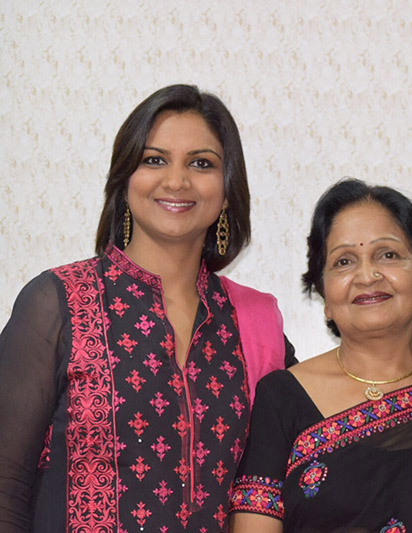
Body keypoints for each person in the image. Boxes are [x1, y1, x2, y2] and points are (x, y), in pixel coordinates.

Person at [0, 84, 296, 532]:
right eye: (154, 160)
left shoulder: (252, 324)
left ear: (226, 190)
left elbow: (308, 462)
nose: (176, 181)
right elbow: (6, 484)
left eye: (201, 163)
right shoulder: (57, 302)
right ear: (125, 180)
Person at [229, 179, 412, 532]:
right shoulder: (281, 397)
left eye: (388, 255)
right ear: (325, 298)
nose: (367, 276)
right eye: (344, 261)